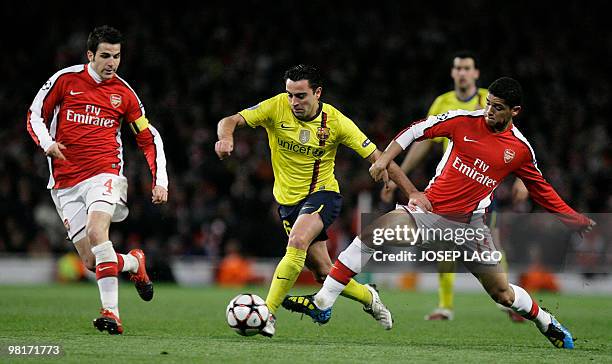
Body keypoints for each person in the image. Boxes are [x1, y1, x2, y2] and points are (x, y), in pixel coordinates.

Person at [283, 77, 595, 349]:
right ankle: (324, 302)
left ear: (515, 111)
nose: (489, 111)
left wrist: (573, 218)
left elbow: (541, 188)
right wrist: (383, 159)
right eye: (488, 104)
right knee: (373, 233)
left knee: (502, 294)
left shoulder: (520, 150)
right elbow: (415, 131)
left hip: (470, 228)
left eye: (498, 107)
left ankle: (546, 321)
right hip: (427, 211)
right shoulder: (463, 121)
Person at [215, 64, 418, 336]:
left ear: (318, 93)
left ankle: (268, 314)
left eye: (301, 96)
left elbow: (378, 156)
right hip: (287, 203)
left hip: (322, 194)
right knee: (324, 272)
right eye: (290, 94)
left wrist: (412, 192)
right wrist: (226, 138)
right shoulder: (276, 107)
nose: (293, 102)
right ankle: (369, 297)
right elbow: (229, 120)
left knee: (297, 241)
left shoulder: (335, 122)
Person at [26, 25, 169, 335]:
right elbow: (34, 115)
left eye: (117, 56)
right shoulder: (65, 81)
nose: (112, 63)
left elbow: (147, 137)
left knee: (96, 231)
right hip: (64, 183)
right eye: (105, 56)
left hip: (105, 173)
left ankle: (111, 313)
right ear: (90, 55)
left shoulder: (124, 93)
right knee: (92, 261)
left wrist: (161, 180)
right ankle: (133, 263)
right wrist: (47, 143)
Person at [381, 51, 529, 321]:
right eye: (457, 68)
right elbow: (424, 140)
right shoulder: (442, 102)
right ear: (453, 73)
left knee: (491, 240)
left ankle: (506, 301)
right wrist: (398, 174)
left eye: (467, 68)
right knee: (444, 247)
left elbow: (517, 143)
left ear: (475, 73)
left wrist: (522, 179)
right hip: (449, 184)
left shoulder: (492, 99)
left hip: (480, 190)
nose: (462, 72)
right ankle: (445, 306)